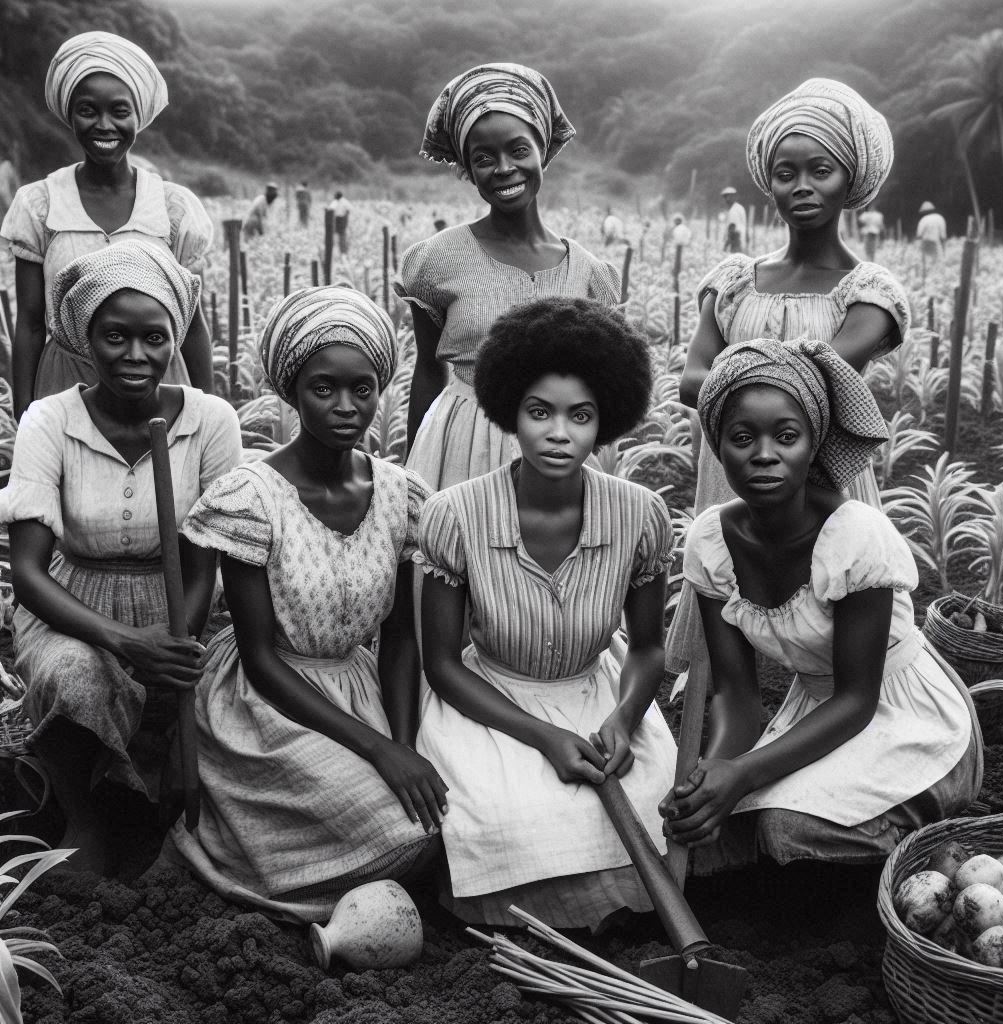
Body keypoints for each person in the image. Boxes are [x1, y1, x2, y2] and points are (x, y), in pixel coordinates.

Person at [167, 286, 444, 923]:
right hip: (268, 702)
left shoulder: (400, 496)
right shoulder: (250, 499)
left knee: (442, 821)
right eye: (324, 388)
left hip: (365, 688)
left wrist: (401, 742)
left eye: (364, 388)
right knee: (397, 835)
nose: (347, 407)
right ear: (291, 390)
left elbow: (401, 640)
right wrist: (380, 755)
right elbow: (262, 659)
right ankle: (237, 867)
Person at [659, 340, 981, 868]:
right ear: (718, 446)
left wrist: (743, 774)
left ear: (812, 446)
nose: (764, 453)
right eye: (742, 438)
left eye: (786, 437)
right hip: (818, 711)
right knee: (726, 829)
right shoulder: (711, 542)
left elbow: (857, 698)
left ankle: (921, 834)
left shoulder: (855, 538)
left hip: (905, 714)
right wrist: (709, 777)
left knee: (786, 830)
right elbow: (738, 696)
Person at [415, 296, 678, 929]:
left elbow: (646, 649)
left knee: (654, 797)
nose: (559, 433)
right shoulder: (456, 514)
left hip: (598, 694)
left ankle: (612, 918)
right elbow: (444, 666)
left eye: (580, 416)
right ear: (510, 411)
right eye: (540, 412)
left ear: (605, 420)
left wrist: (624, 716)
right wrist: (542, 736)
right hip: (489, 701)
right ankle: (526, 924)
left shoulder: (639, 514)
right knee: (507, 816)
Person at [0, 241, 242, 874]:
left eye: (154, 338)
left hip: (180, 600)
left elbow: (205, 560)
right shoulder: (50, 420)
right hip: (74, 604)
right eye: (115, 336)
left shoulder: (210, 421)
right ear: (86, 338)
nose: (136, 356)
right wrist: (126, 642)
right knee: (80, 674)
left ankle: (169, 812)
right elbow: (27, 573)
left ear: (175, 339)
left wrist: (175, 636)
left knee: (223, 696)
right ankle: (82, 815)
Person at [666, 77, 911, 679]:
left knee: (832, 639)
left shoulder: (871, 293)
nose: (801, 186)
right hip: (732, 473)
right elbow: (691, 382)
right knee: (725, 637)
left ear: (849, 178)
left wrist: (736, 376)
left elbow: (819, 380)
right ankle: (710, 754)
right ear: (767, 181)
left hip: (819, 482)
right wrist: (769, 381)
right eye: (785, 172)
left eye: (820, 169)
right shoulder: (733, 280)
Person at [396, 62, 620, 491]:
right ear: (467, 168)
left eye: (519, 150)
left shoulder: (589, 273)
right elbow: (427, 370)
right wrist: (410, 484)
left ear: (543, 150)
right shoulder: (439, 259)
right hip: (462, 447)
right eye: (483, 158)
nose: (503, 168)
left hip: (559, 454)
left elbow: (602, 387)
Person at [0, 30, 215, 420]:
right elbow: (29, 325)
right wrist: (26, 419)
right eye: (87, 110)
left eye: (119, 111)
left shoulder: (173, 209)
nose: (104, 125)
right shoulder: (39, 205)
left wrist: (213, 415)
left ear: (138, 117)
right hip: (66, 392)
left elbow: (193, 327)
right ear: (70, 115)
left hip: (159, 391)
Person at [721, 186, 746, 253]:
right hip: (740, 241)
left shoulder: (734, 210)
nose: (727, 199)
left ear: (734, 197)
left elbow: (732, 229)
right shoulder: (739, 207)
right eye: (725, 197)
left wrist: (725, 246)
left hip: (736, 242)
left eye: (728, 197)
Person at [329, 190, 353, 255]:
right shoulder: (335, 202)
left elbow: (349, 209)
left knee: (342, 235)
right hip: (336, 219)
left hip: (342, 219)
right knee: (336, 235)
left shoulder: (344, 201)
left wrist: (345, 216)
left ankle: (343, 250)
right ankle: (339, 250)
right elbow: (330, 209)